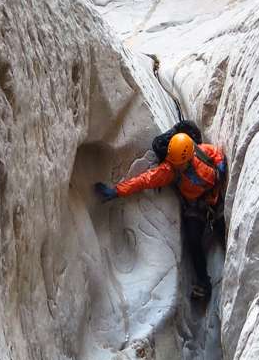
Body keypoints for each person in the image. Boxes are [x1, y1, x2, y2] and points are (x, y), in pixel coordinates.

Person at [94, 129, 227, 301]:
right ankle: (203, 283)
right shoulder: (170, 170)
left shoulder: (201, 152)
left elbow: (216, 154)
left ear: (188, 158)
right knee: (194, 241)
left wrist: (221, 165)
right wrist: (117, 191)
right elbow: (144, 180)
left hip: (215, 199)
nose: (175, 165)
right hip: (197, 207)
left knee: (224, 232)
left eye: (179, 163)